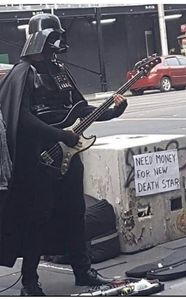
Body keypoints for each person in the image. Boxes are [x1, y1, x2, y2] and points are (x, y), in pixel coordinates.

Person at [0, 13, 127, 296]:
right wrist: (59, 135)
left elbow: (82, 110)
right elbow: (20, 118)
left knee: (74, 212)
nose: (55, 43)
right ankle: (29, 282)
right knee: (36, 218)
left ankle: (83, 271)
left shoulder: (59, 70)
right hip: (38, 158)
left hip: (69, 154)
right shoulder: (23, 72)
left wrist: (112, 111)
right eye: (51, 37)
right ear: (38, 38)